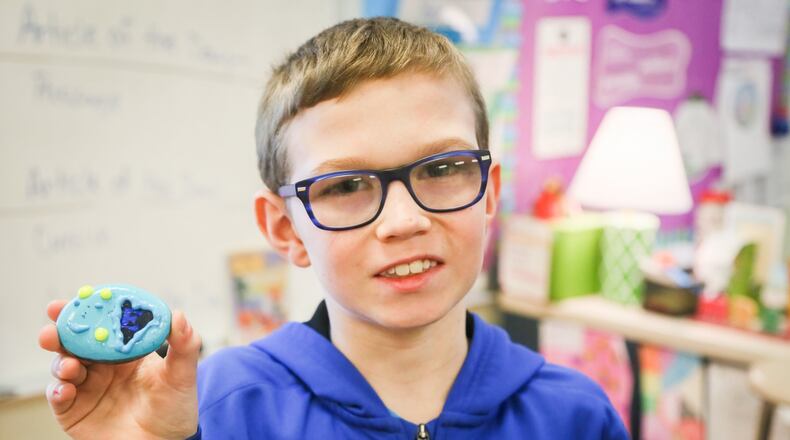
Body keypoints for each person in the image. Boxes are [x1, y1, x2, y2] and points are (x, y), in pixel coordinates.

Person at [39, 17, 629, 439]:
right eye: (345, 185)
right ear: (286, 229)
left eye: (443, 168)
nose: (404, 221)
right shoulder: (215, 409)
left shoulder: (574, 414)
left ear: (490, 192)